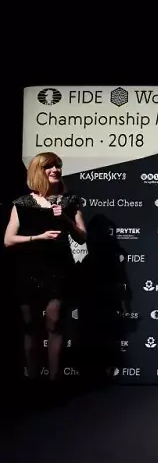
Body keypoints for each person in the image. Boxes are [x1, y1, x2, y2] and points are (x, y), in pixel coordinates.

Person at [4, 152, 86, 383]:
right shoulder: (23, 203)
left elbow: (82, 238)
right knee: (30, 326)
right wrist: (38, 237)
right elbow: (9, 240)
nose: (55, 170)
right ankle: (30, 379)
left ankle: (54, 381)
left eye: (58, 166)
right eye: (49, 166)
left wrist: (66, 221)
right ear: (38, 171)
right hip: (28, 269)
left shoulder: (70, 201)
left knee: (54, 322)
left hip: (58, 268)